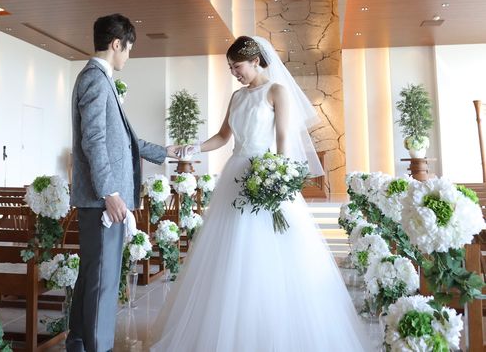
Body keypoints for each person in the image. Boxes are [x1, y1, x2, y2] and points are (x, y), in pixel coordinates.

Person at [150, 35, 371, 352]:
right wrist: (191, 148)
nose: (234, 73)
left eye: (237, 66)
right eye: (230, 68)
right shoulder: (237, 97)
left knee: (269, 253)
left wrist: (278, 178)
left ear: (256, 61)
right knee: (229, 253)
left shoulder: (277, 92)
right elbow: (223, 136)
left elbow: (283, 139)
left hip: (266, 174)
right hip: (236, 177)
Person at [67, 13, 179, 352]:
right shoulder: (95, 79)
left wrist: (165, 151)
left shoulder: (99, 79)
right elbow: (94, 140)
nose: (129, 56)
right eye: (129, 48)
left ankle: (79, 343)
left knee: (93, 277)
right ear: (117, 44)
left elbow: (123, 141)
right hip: (103, 200)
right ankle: (97, 346)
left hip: (101, 198)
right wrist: (110, 192)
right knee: (102, 282)